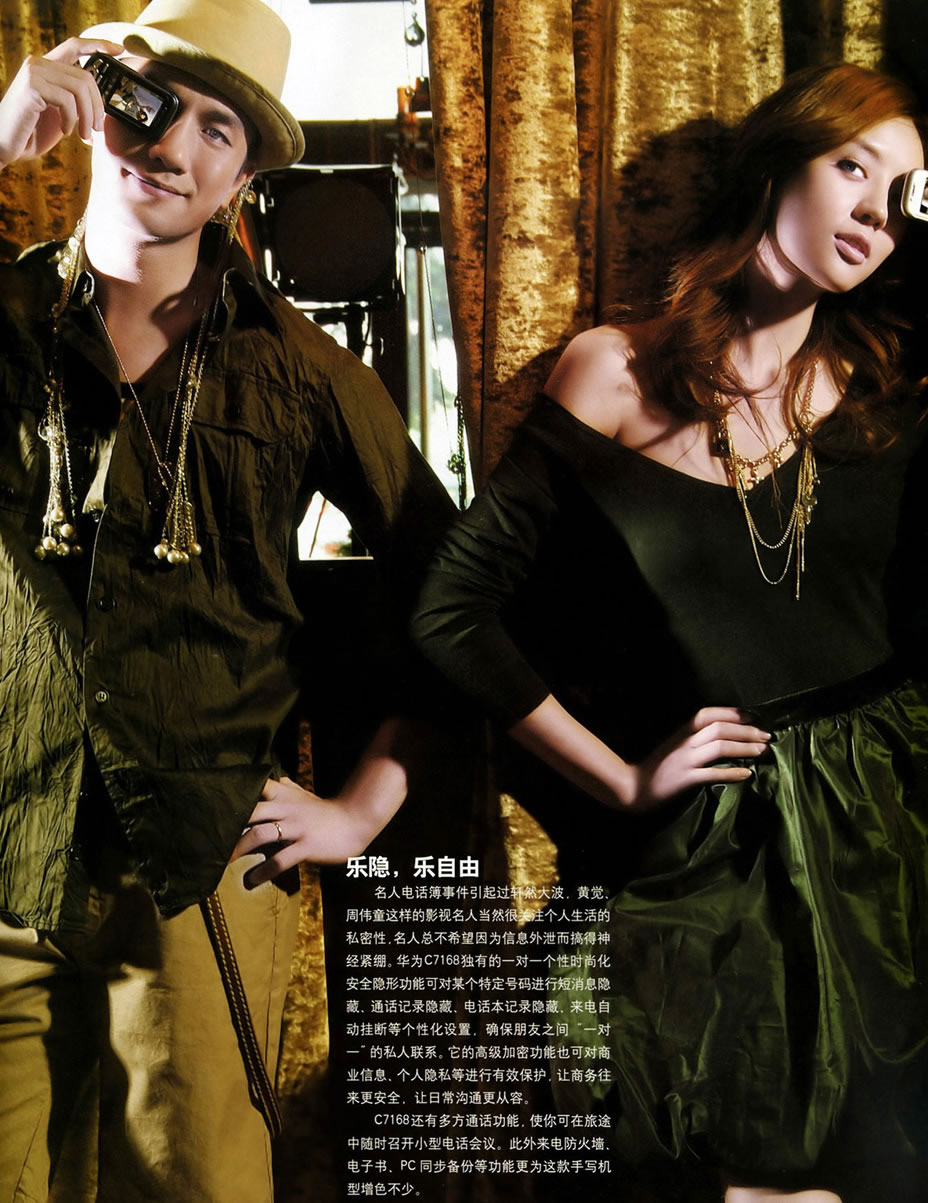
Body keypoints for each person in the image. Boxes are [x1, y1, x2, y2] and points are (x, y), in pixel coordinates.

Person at [413, 64, 928, 1202]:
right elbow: (451, 612)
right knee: (624, 1114)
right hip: (705, 841)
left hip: (880, 829)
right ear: (776, 166)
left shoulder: (891, 384)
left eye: (903, 194)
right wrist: (621, 781)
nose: (871, 211)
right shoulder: (616, 369)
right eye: (850, 166)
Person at [0, 0, 454, 1200]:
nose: (172, 148)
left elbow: (461, 598)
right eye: (155, 104)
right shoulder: (6, 321)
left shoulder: (302, 369)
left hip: (198, 867)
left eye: (219, 130)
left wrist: (363, 807)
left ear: (242, 178)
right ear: (100, 105)